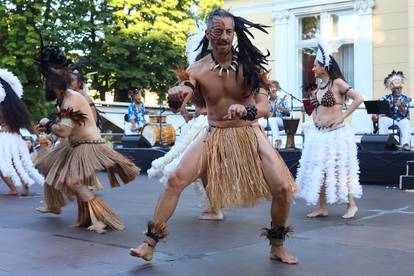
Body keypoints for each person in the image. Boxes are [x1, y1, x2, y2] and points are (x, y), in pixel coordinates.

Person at [130, 9, 297, 264]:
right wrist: (177, 95)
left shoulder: (249, 67)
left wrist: (246, 109)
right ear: (208, 34)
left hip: (249, 132)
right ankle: (149, 243)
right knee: (175, 179)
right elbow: (185, 93)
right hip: (214, 133)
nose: (224, 37)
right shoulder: (197, 69)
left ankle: (277, 245)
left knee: (284, 188)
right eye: (218, 31)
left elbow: (263, 108)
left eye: (229, 32)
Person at [35, 45, 140, 233]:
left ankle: (102, 219)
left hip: (89, 145)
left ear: (53, 82)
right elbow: (64, 128)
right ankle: (74, 213)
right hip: (74, 145)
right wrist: (49, 130)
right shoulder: (63, 100)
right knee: (50, 165)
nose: (44, 84)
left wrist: (48, 123)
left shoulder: (71, 98)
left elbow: (64, 132)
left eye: (46, 80)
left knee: (73, 181)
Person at [296, 38, 364, 219]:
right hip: (319, 134)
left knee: (339, 169)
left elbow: (358, 98)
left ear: (324, 66)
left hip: (336, 135)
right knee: (319, 170)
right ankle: (322, 207)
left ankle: (352, 205)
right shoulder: (319, 86)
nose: (312, 69)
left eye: (315, 65)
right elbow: (318, 109)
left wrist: (342, 116)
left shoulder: (337, 83)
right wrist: (313, 114)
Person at [0, 68, 44, 196]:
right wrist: (37, 134)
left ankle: (14, 188)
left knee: (6, 165)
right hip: (16, 138)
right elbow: (29, 122)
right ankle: (24, 185)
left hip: (4, 138)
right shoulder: (16, 106)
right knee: (17, 163)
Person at [376, 70, 411, 151]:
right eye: (397, 88)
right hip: (390, 119)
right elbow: (378, 108)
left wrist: (400, 106)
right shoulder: (385, 98)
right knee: (382, 120)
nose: (399, 90)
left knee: (406, 122)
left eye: (400, 88)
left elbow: (404, 112)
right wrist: (376, 115)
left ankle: (405, 144)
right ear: (392, 89)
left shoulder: (405, 98)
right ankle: (383, 143)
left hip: (401, 119)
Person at [258, 80, 289, 149]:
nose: (272, 91)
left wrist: (282, 109)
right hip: (271, 120)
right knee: (259, 123)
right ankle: (264, 142)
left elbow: (288, 112)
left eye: (274, 90)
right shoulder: (267, 101)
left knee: (272, 120)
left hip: (282, 121)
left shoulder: (281, 99)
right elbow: (267, 116)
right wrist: (268, 113)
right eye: (271, 90)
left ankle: (277, 140)